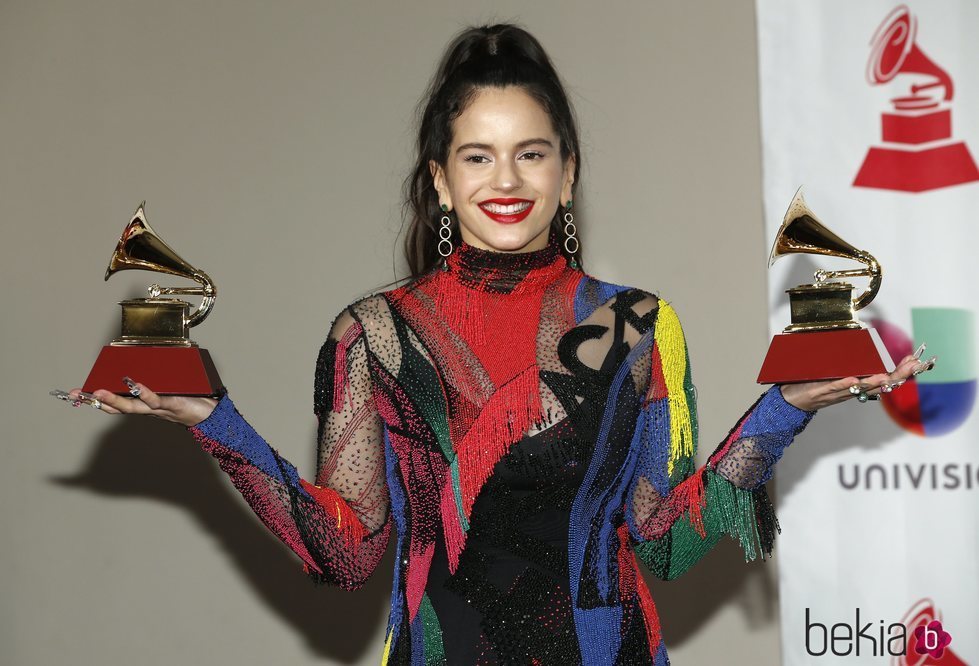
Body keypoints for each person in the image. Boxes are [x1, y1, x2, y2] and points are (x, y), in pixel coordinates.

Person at [59, 23, 930, 665]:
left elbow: (663, 541)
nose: (505, 181)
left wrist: (783, 411)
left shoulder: (639, 327)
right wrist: (215, 422)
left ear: (568, 173)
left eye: (530, 154)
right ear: (439, 181)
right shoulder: (372, 336)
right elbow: (347, 553)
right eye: (476, 158)